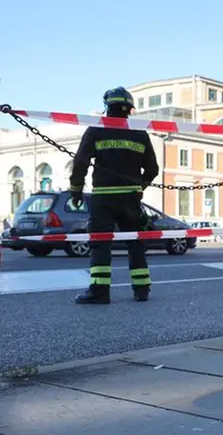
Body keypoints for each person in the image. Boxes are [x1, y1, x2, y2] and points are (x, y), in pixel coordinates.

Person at [69, 87, 160, 304]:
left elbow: (80, 163)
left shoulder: (96, 130)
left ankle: (100, 292)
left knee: (101, 243)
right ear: (130, 109)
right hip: (130, 198)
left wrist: (76, 191)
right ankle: (142, 289)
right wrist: (139, 187)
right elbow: (153, 169)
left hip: (103, 198)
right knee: (135, 242)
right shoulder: (140, 133)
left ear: (107, 107)